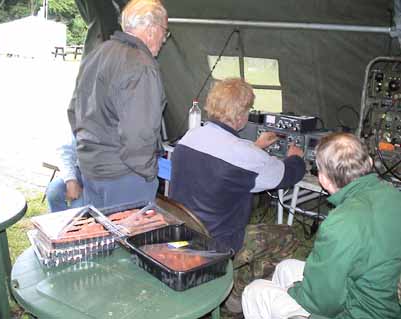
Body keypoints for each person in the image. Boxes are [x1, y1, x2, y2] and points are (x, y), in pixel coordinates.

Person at [169, 78, 306, 313]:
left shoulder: (189, 138)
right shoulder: (245, 156)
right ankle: (238, 292)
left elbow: (226, 156)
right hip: (218, 243)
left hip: (182, 232)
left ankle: (232, 285)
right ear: (242, 115)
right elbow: (285, 176)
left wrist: (255, 147)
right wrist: (296, 157)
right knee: (288, 234)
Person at [242, 132, 401, 319]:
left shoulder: (341, 223)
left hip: (358, 312)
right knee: (285, 267)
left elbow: (323, 304)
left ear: (323, 179)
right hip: (380, 298)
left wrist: (293, 292)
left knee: (255, 291)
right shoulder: (392, 194)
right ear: (370, 163)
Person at [68, 0, 168, 209]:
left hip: (91, 169)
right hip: (124, 177)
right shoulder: (141, 65)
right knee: (128, 239)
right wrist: (148, 174)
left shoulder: (97, 53)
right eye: (164, 31)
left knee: (103, 236)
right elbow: (138, 134)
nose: (164, 39)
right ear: (151, 30)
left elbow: (73, 110)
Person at [46, 135, 84, 212]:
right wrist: (70, 180)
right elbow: (66, 151)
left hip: (107, 177)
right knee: (54, 192)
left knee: (77, 208)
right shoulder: (82, 123)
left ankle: (78, 221)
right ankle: (59, 221)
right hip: (81, 170)